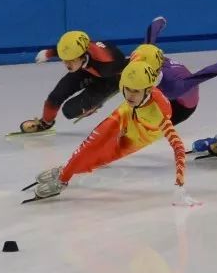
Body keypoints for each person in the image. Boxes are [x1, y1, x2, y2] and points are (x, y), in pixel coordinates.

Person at [23, 59, 196, 205]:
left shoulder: (161, 111)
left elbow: (178, 147)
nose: (129, 95)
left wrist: (179, 184)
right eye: (127, 88)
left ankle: (66, 170)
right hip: (126, 114)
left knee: (101, 158)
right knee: (92, 143)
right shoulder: (131, 93)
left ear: (148, 90)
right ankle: (63, 179)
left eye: (136, 91)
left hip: (142, 134)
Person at [131, 16, 217, 126]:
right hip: (169, 85)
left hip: (183, 107)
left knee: (149, 126)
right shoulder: (146, 55)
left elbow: (205, 74)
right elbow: (152, 32)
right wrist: (160, 21)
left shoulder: (175, 86)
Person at [18, 29, 127, 134]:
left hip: (109, 79)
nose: (67, 64)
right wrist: (48, 53)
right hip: (87, 69)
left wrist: (97, 102)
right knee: (56, 96)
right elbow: (65, 48)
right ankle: (45, 123)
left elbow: (130, 71)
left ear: (83, 56)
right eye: (65, 60)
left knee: (69, 111)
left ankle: (94, 104)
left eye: (71, 60)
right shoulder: (76, 50)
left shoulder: (107, 65)